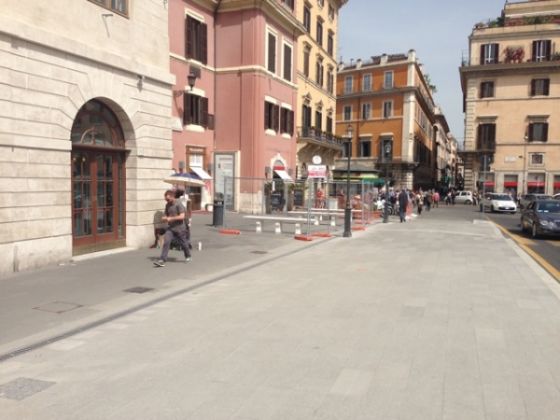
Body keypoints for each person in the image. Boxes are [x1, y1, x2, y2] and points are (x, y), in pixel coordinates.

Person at [153, 190, 192, 267]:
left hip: (180, 228)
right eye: (166, 199)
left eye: (168, 199)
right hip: (171, 228)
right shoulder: (167, 205)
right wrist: (164, 218)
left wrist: (171, 218)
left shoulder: (179, 204)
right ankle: (162, 260)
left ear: (172, 197)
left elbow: (182, 216)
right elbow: (166, 215)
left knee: (184, 244)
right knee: (166, 242)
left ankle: (188, 256)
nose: (167, 200)